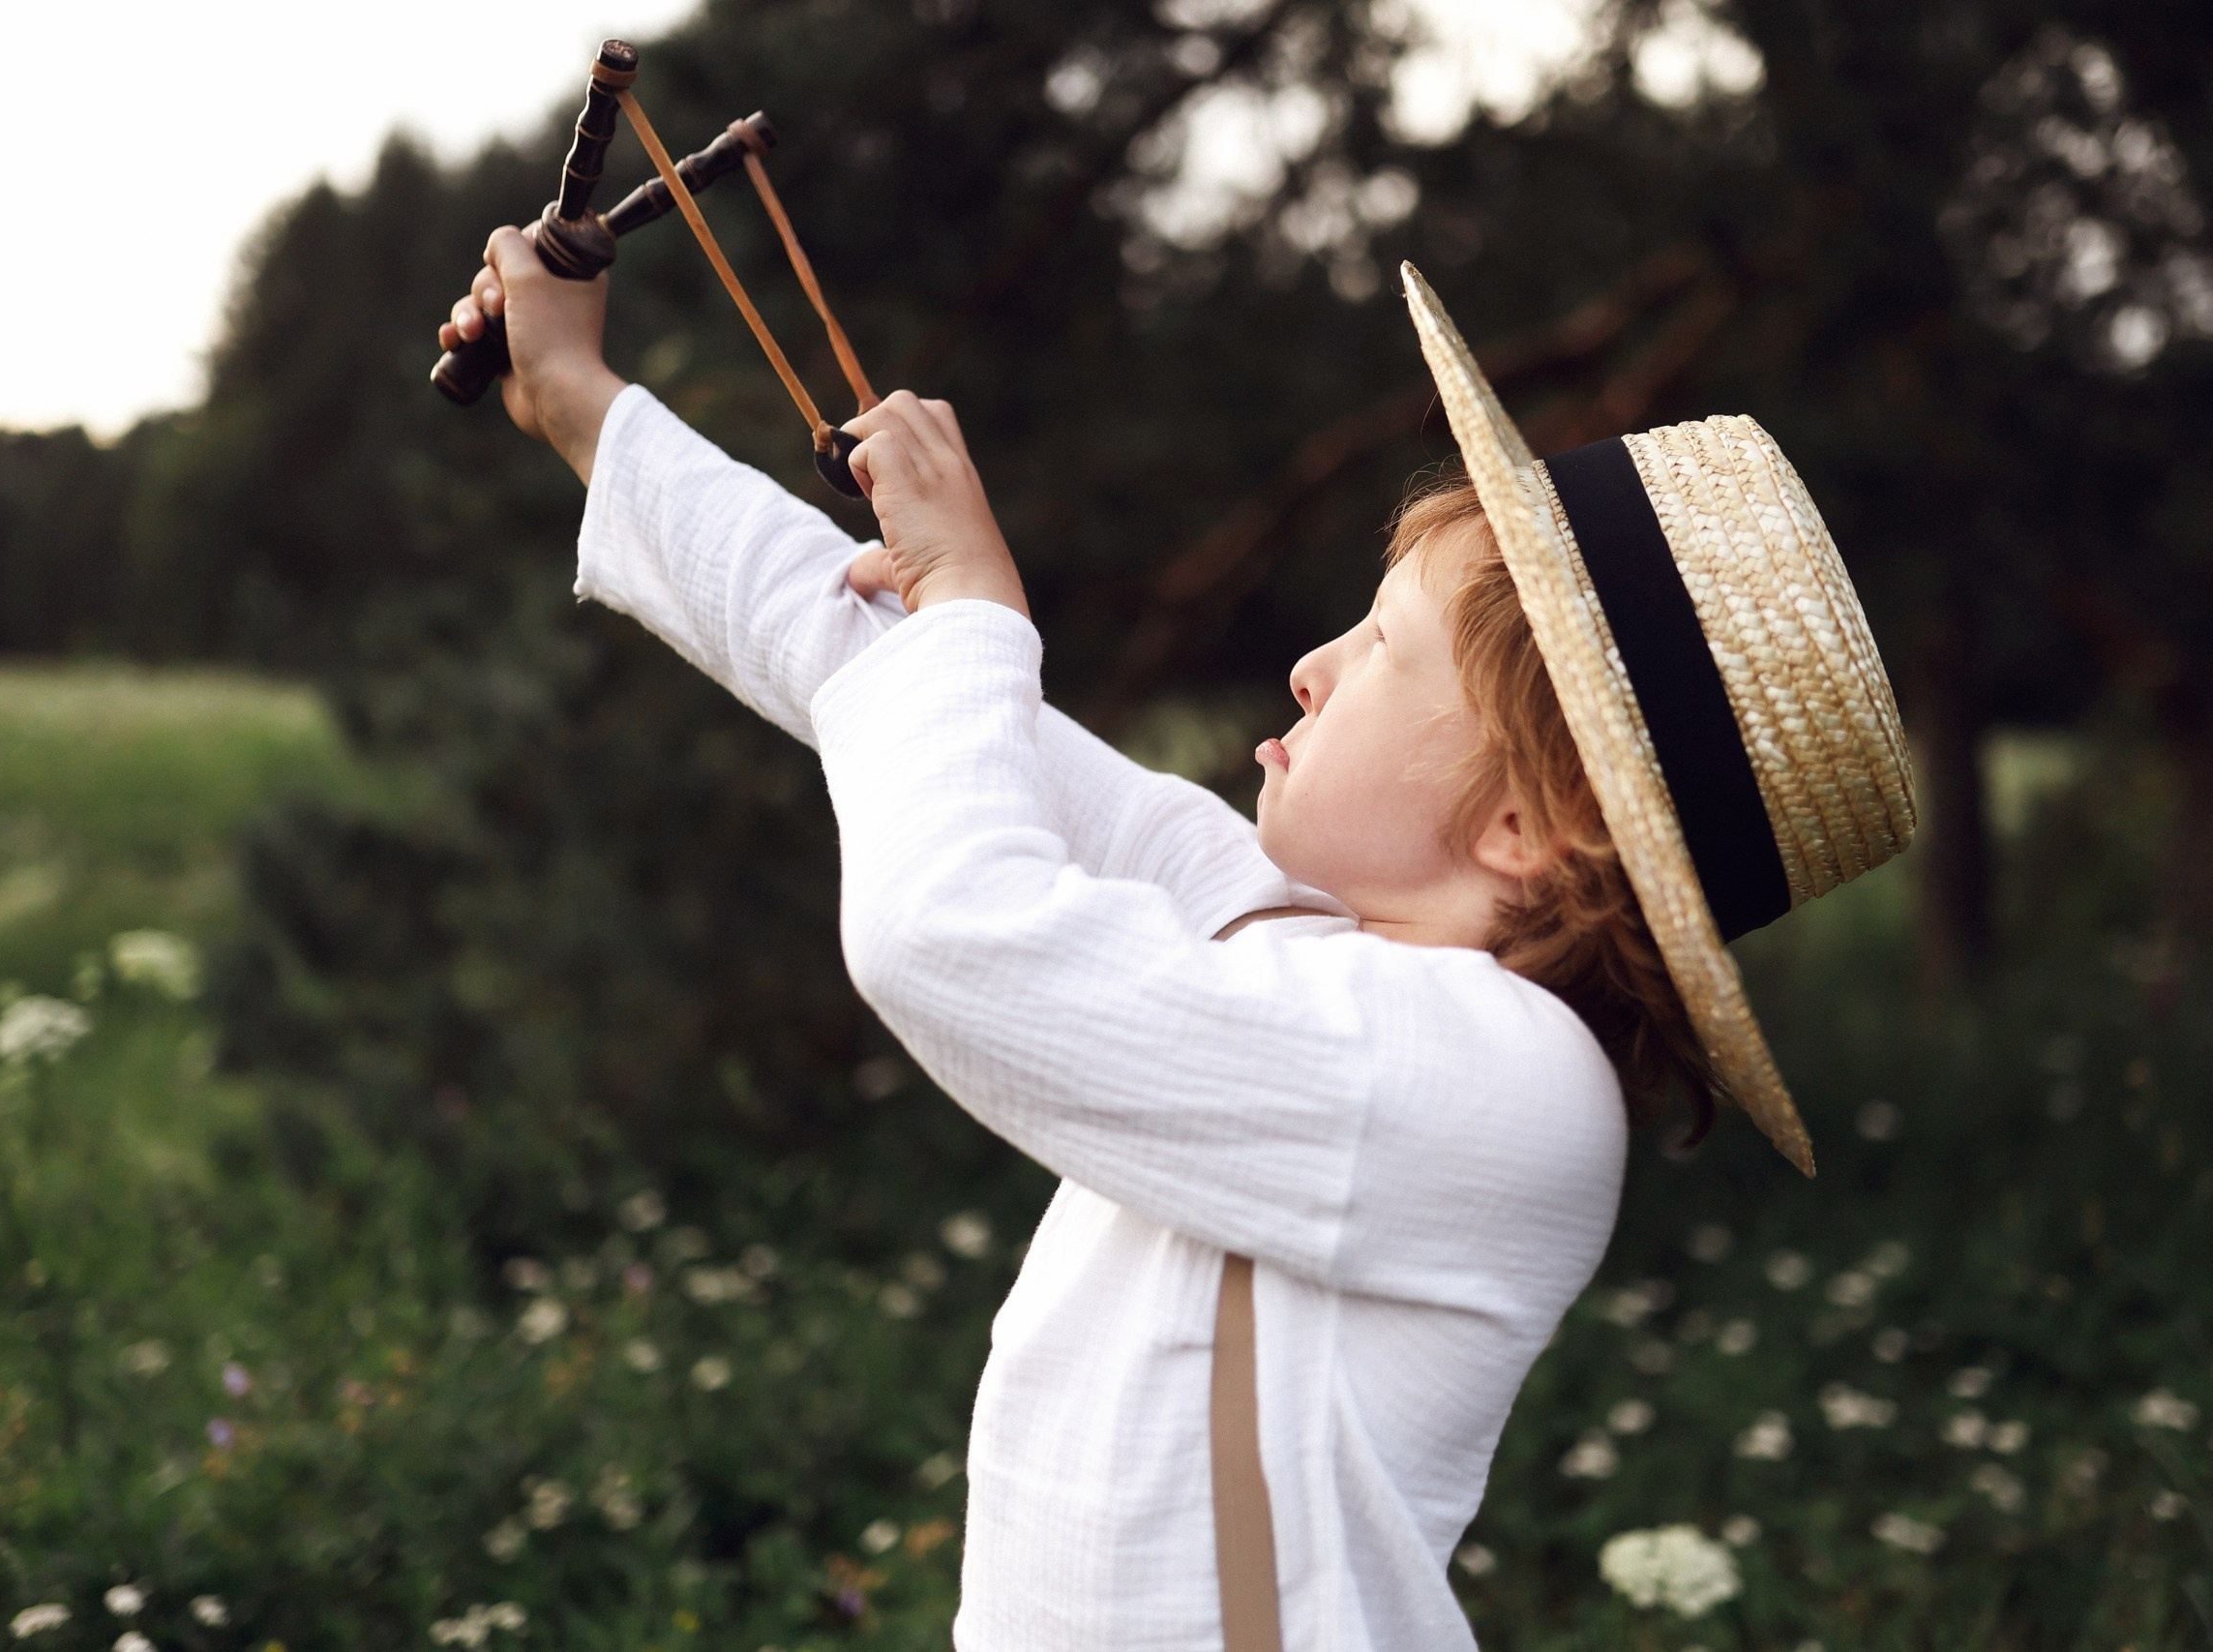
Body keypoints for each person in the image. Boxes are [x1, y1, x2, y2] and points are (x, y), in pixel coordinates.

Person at [440, 227, 1913, 1649]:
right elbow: (866, 663)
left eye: (1383, 648)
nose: (1312, 666)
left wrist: (973, 604)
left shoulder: (1507, 1087)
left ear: (1528, 828)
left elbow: (947, 934)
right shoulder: (1301, 944)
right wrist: (584, 403)